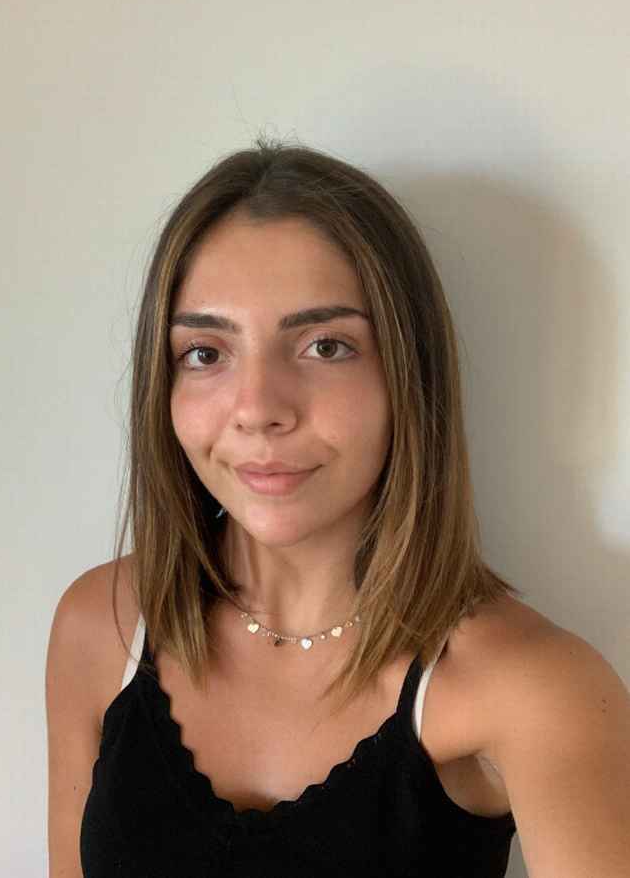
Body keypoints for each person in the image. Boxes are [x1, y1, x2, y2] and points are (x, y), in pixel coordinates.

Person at [45, 138, 630, 877]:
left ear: (407, 376)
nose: (258, 408)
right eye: (206, 353)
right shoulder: (101, 627)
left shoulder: (533, 687)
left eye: (325, 346)